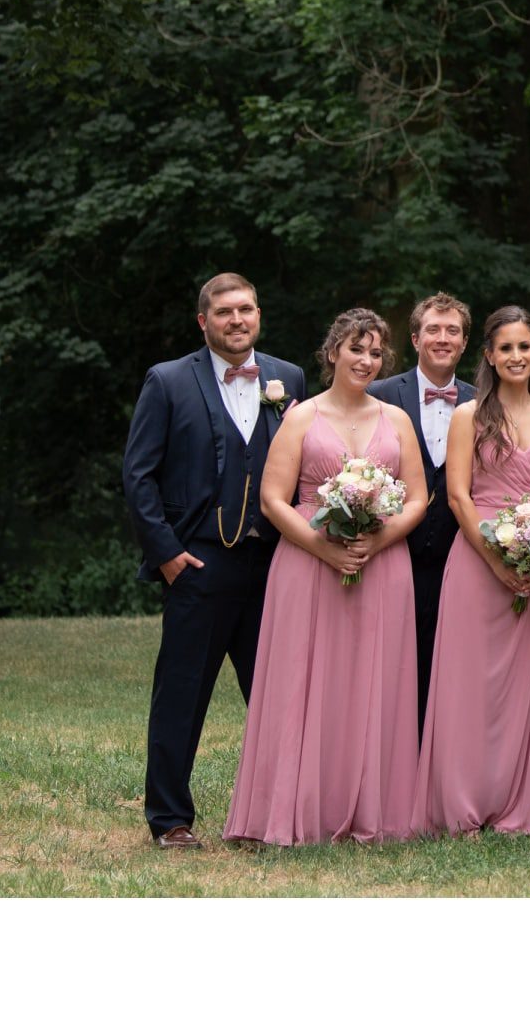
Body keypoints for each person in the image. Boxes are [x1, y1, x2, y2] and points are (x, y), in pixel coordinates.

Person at [222, 308, 426, 845]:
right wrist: (323, 548)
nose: (366, 360)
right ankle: (296, 809)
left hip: (382, 566)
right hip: (308, 565)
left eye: (376, 352)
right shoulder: (301, 418)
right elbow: (272, 498)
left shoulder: (396, 420)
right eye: (356, 348)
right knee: (303, 683)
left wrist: (377, 539)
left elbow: (419, 498)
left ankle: (370, 808)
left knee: (373, 683)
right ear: (332, 352)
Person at [122, 272, 307, 850]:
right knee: (181, 696)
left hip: (273, 567)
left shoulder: (288, 378)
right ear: (204, 321)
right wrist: (168, 554)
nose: (237, 320)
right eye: (224, 312)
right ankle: (170, 820)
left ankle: (273, 819)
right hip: (197, 565)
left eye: (246, 310)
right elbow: (138, 475)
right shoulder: (168, 380)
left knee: (278, 699)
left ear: (259, 315)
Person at [414, 307, 530, 835]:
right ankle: (461, 801)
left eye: (526, 347)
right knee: (470, 684)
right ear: (488, 355)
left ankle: (520, 802)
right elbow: (458, 496)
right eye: (506, 348)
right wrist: (495, 560)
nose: (517, 357)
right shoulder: (468, 416)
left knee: (523, 687)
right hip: (477, 559)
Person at [369, 292, 475, 737]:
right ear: (415, 338)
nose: (442, 338)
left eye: (452, 330)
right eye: (433, 329)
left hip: (461, 552)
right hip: (393, 552)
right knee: (391, 663)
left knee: (451, 666)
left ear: (465, 342)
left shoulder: (483, 399)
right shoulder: (377, 395)